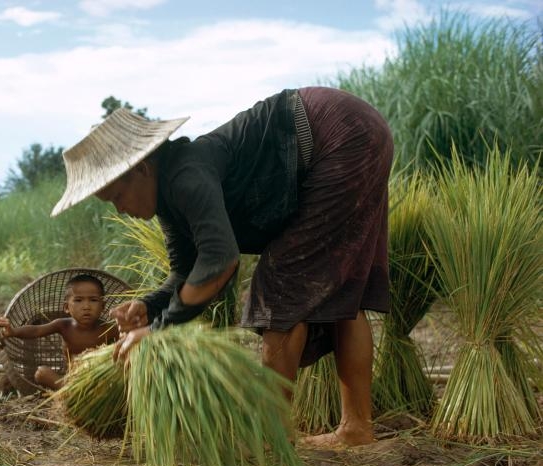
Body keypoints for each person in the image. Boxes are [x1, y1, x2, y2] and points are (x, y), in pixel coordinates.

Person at [51, 87, 393, 447]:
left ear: (142, 168)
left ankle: (272, 438)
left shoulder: (186, 175)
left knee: (280, 286)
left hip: (337, 135)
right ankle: (355, 429)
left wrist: (161, 328)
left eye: (117, 196)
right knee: (340, 295)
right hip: (353, 133)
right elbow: (188, 273)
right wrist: (149, 306)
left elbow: (220, 259)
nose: (119, 209)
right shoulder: (170, 198)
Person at [0, 274, 119, 390]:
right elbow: (36, 330)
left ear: (103, 306)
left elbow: (128, 340)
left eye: (93, 300)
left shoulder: (109, 329)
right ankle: (70, 390)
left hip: (100, 379)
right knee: (41, 373)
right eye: (78, 300)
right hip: (71, 379)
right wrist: (13, 331)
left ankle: (69, 392)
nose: (86, 306)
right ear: (66, 308)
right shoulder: (63, 325)